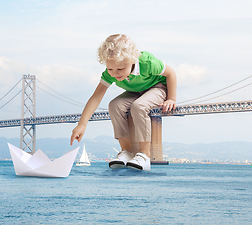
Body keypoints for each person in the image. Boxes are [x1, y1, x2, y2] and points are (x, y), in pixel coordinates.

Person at [70, 34, 177, 171]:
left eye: (120, 69)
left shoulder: (147, 62)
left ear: (132, 60)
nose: (115, 74)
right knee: (114, 105)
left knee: (139, 106)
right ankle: (126, 151)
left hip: (157, 88)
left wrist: (171, 98)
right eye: (110, 69)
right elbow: (96, 97)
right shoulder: (111, 73)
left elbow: (171, 73)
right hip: (135, 92)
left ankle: (144, 155)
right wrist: (82, 124)